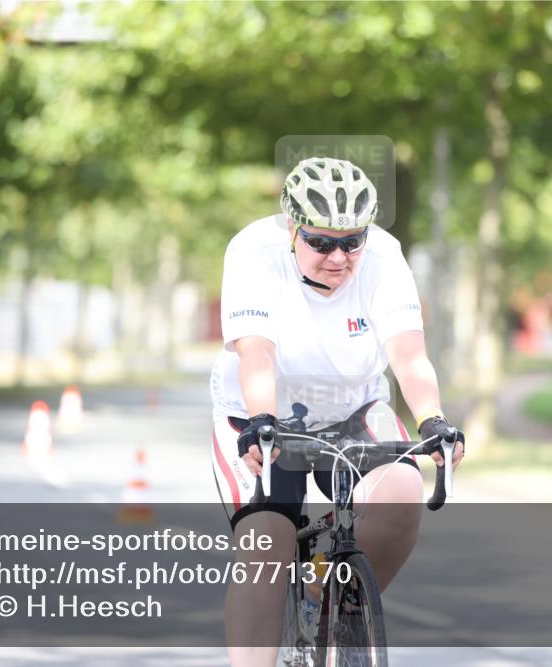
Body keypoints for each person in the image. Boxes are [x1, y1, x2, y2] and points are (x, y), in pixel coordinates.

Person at [210, 156, 465, 666]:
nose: (338, 257)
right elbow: (255, 352)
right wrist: (262, 418)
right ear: (291, 228)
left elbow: (409, 355)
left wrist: (433, 419)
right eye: (321, 242)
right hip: (260, 411)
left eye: (351, 241)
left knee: (401, 493)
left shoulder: (385, 256)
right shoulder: (254, 251)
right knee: (267, 544)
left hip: (353, 407)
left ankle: (322, 595)